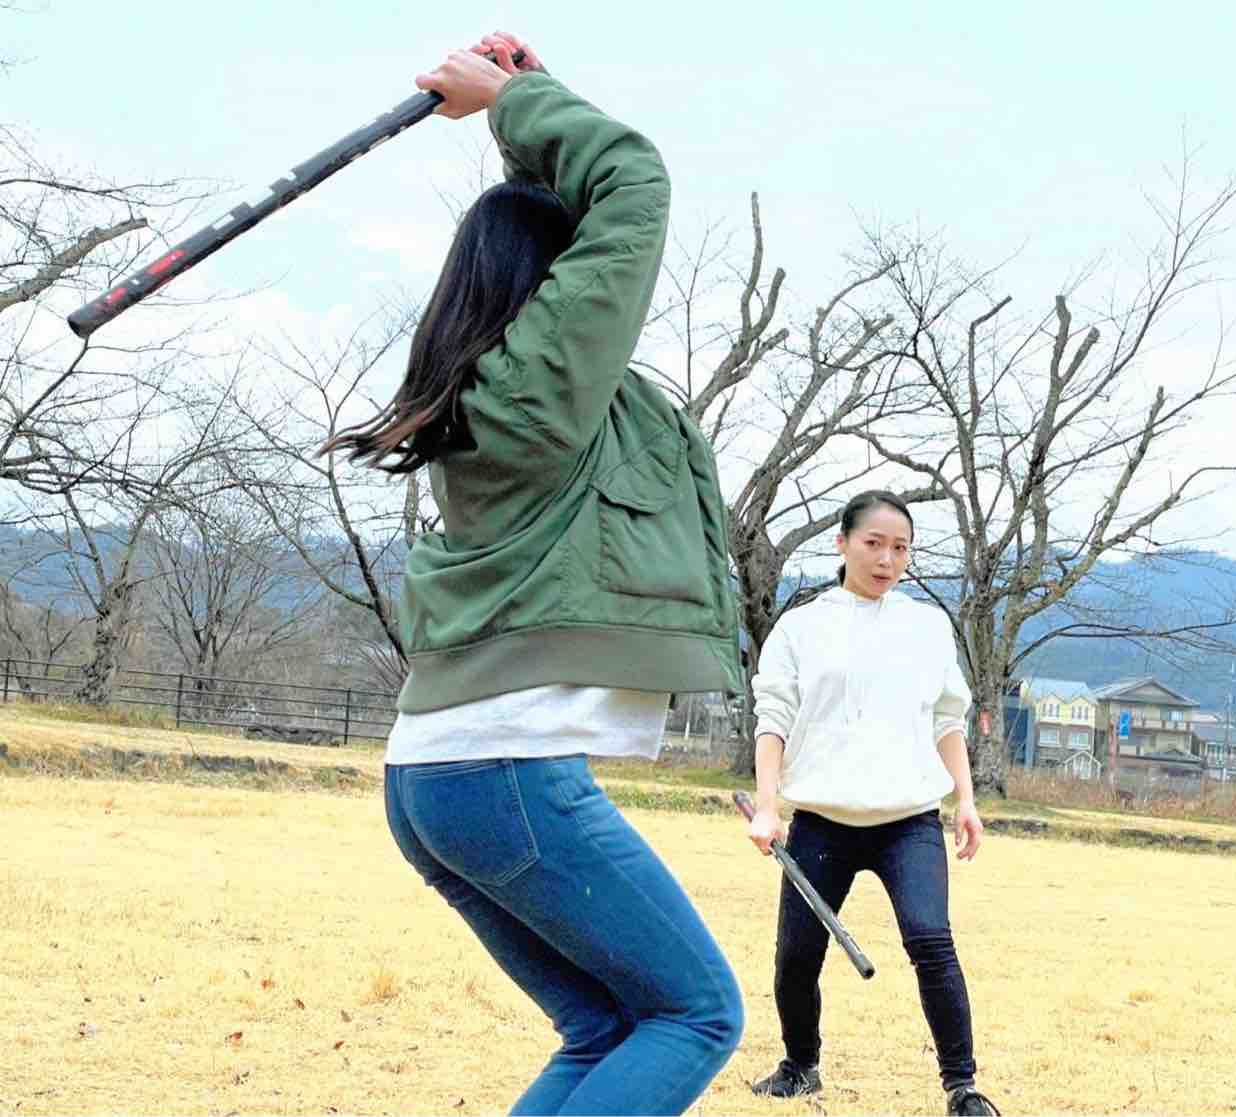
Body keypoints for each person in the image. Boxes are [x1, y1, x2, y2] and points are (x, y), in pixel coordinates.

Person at [321, 31, 746, 1116]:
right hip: (499, 768)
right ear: (552, 286)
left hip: (436, 775)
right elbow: (632, 185)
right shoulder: (537, 391)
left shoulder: (498, 391)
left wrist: (523, 99)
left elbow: (588, 208)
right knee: (696, 1014)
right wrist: (518, 104)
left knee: (605, 1027)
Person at [744, 490, 1000, 1116]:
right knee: (797, 955)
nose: (888, 559)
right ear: (842, 544)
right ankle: (799, 1067)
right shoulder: (802, 627)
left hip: (908, 821)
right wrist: (768, 806)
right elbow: (773, 720)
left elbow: (947, 721)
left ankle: (962, 1087)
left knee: (931, 940)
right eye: (874, 544)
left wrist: (965, 801)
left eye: (901, 548)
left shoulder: (926, 627)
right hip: (822, 821)